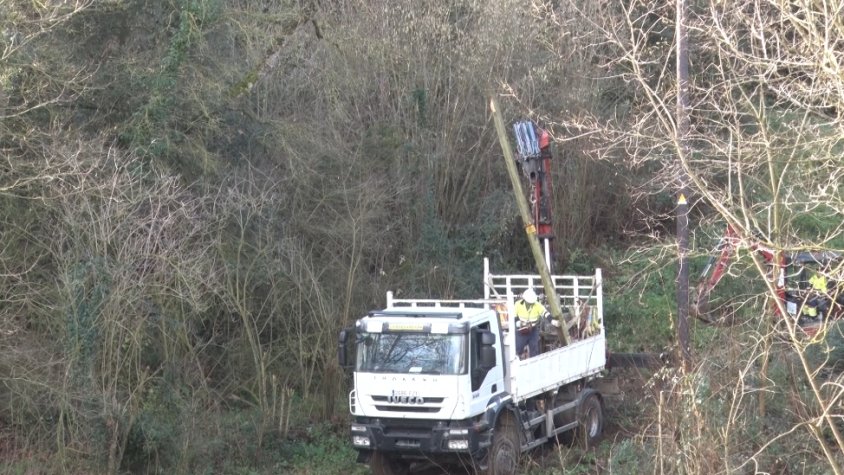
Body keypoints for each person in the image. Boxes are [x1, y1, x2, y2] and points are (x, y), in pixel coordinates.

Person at [514, 288, 550, 358]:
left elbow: (545, 313)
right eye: (529, 303)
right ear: (525, 300)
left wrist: (553, 321)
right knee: (518, 349)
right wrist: (520, 324)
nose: (531, 304)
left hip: (533, 330)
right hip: (521, 330)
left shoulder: (537, 305)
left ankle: (534, 365)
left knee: (534, 350)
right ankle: (517, 364)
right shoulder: (517, 304)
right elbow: (513, 317)